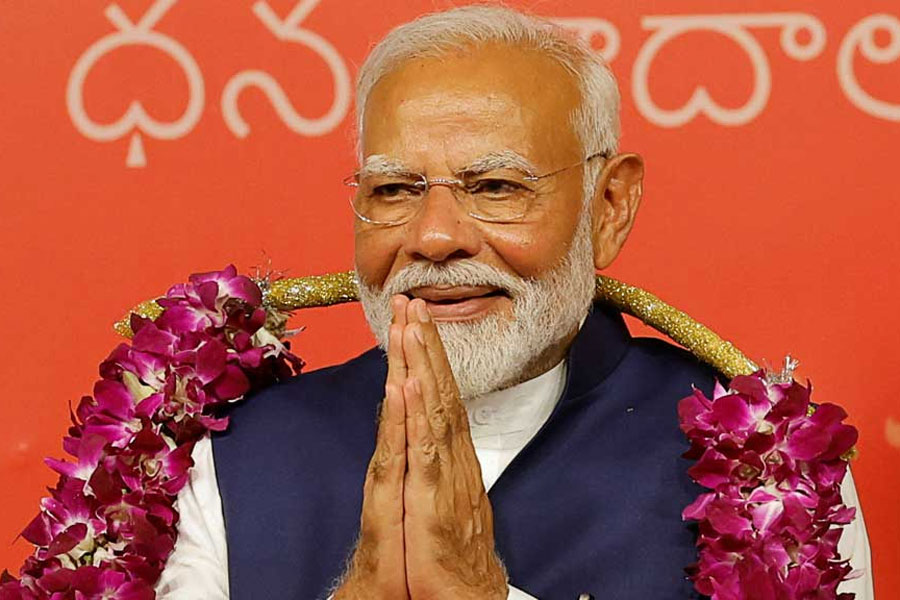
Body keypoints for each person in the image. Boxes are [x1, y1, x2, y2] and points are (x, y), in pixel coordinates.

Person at [155, 5, 873, 599]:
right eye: (395, 190)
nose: (434, 238)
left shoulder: (767, 467)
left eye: (496, 188)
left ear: (609, 206)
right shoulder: (238, 455)